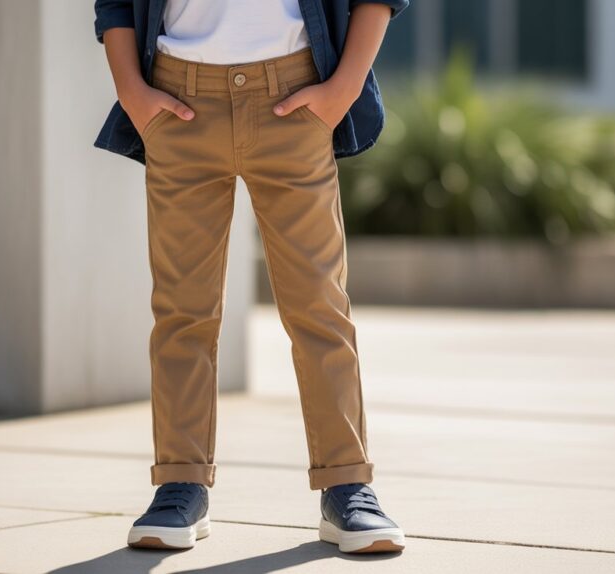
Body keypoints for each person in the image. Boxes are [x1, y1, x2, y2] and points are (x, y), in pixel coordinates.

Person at [93, 0, 410, 554]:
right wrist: (133, 94)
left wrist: (343, 90)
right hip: (177, 95)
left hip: (295, 91)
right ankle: (179, 484)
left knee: (319, 304)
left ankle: (347, 486)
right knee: (182, 310)